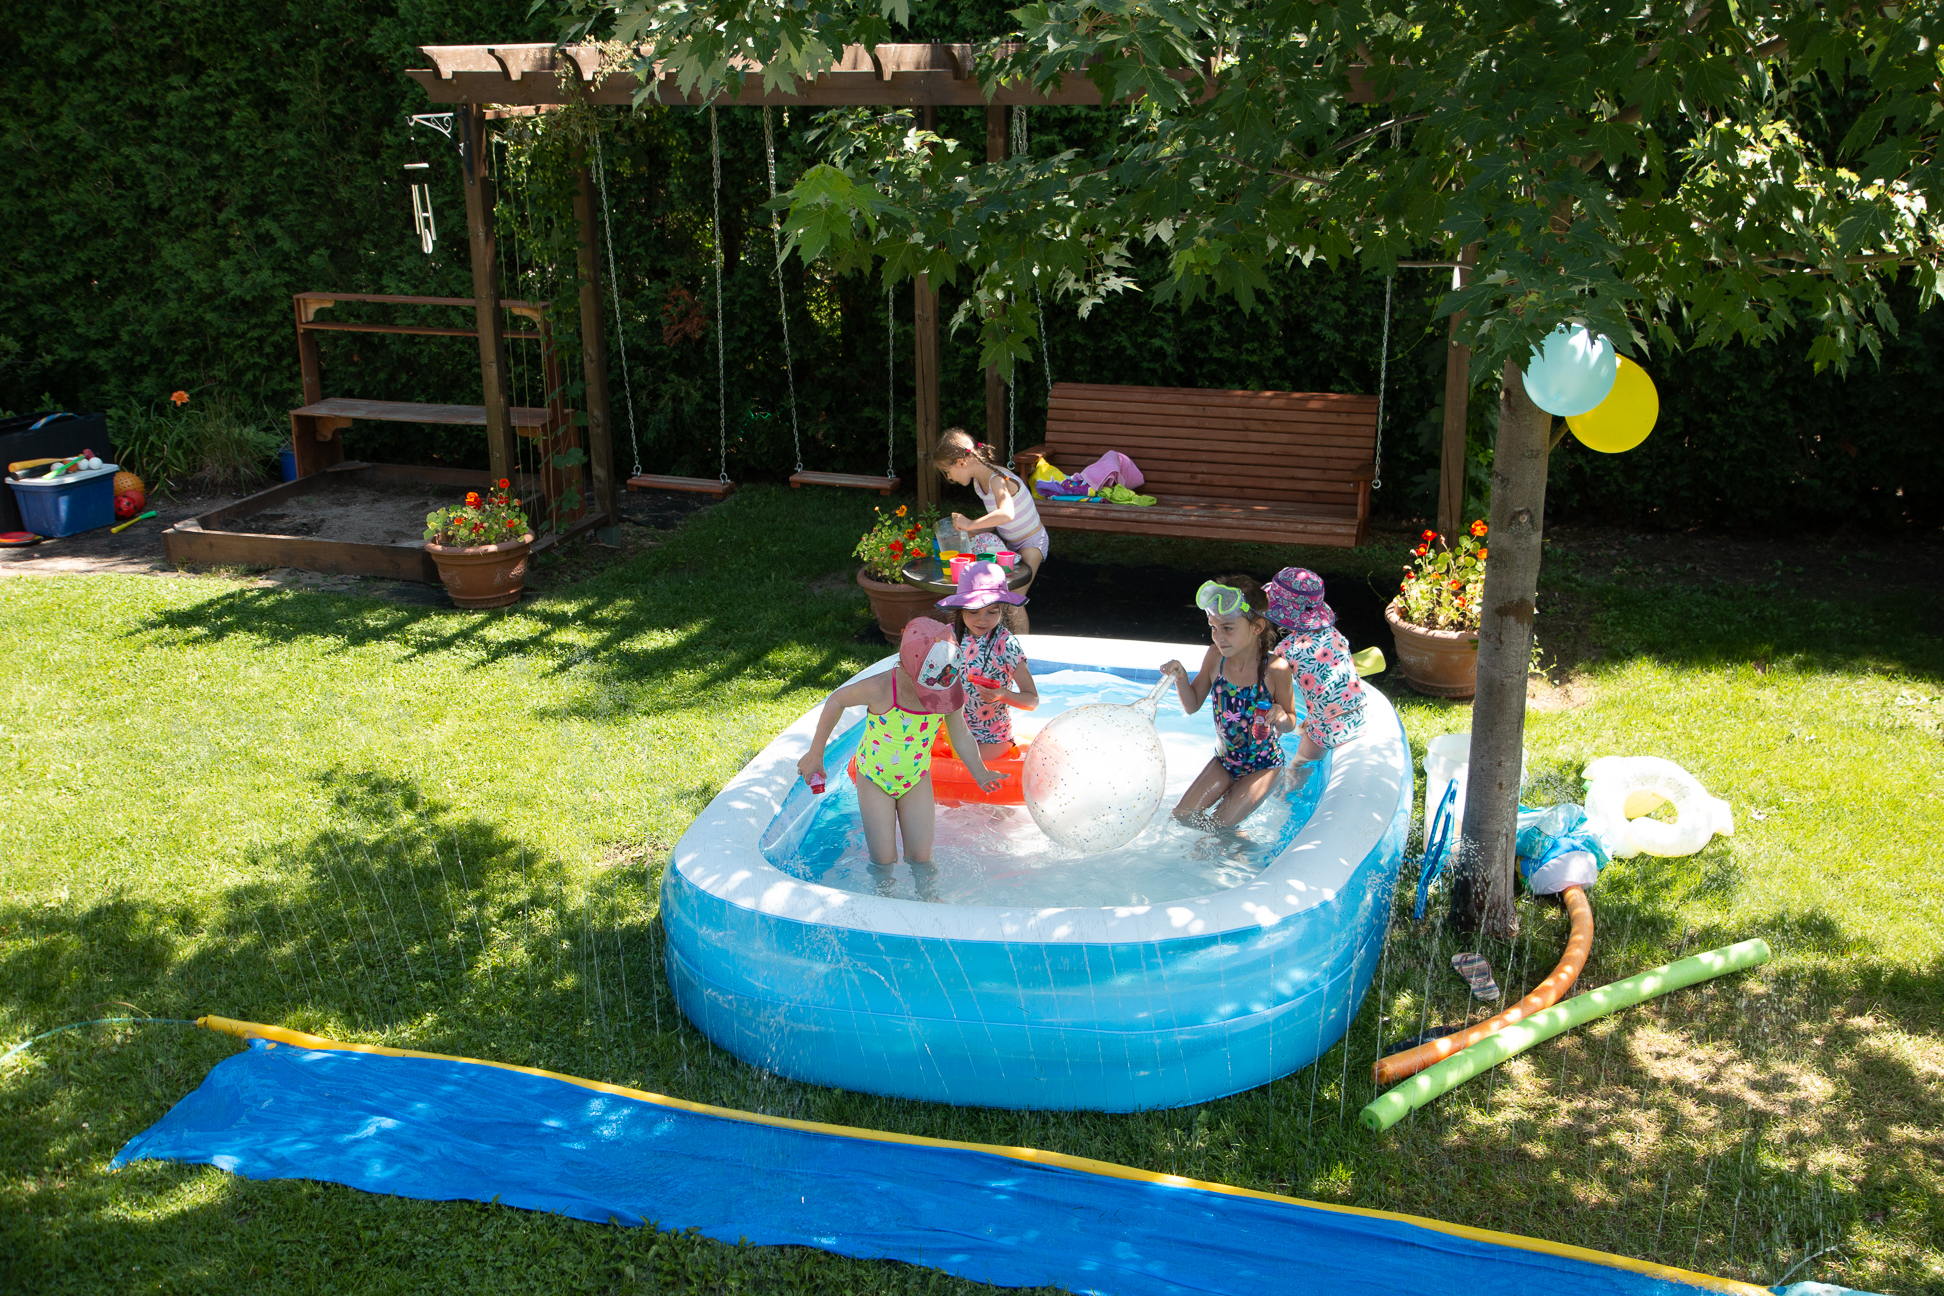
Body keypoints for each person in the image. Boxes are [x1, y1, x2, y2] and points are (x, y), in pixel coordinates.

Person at [796, 618, 1002, 873]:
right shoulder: (880, 688)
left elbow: (960, 734)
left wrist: (981, 773)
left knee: (921, 858)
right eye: (927, 689)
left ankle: (928, 896)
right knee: (883, 861)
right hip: (874, 778)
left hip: (916, 778)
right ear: (904, 668)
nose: (934, 697)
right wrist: (816, 754)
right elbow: (836, 700)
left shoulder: (947, 688)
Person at [1160, 575, 1300, 828]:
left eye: (1227, 628)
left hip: (1263, 766)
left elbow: (1291, 722)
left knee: (1219, 828)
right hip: (1225, 762)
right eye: (1213, 627)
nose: (1218, 637)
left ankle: (1242, 846)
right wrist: (1181, 677)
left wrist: (1281, 716)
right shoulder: (1216, 657)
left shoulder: (1276, 669)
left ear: (1257, 627)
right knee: (1181, 816)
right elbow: (1192, 705)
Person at [936, 561, 1039, 762]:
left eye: (992, 612)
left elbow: (1032, 701)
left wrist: (1003, 694)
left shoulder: (1006, 645)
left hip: (992, 737)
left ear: (1002, 610)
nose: (982, 620)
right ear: (961, 608)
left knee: (969, 765)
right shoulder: (947, 637)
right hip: (952, 730)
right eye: (973, 612)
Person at [1262, 566, 1367, 753]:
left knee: (1298, 764)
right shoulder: (1334, 635)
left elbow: (1275, 704)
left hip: (1327, 729)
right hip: (1360, 714)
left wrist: (1268, 739)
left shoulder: (1285, 650)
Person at [931, 428, 1050, 592]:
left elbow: (1006, 514)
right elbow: (995, 520)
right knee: (999, 593)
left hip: (1032, 542)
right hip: (1010, 545)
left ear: (961, 462)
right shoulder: (979, 484)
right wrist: (969, 532)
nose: (949, 477)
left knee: (1015, 597)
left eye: (947, 472)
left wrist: (971, 524)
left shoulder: (997, 479)